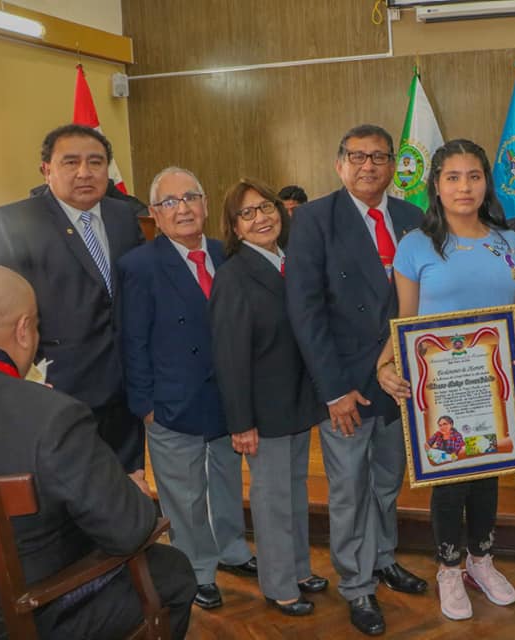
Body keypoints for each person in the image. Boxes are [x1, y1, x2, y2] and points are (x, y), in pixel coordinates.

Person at [0, 265, 197, 639]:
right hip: (32, 614)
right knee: (172, 571)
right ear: (24, 329)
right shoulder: (51, 417)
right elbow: (128, 531)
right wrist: (133, 494)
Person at [376, 138, 515, 621]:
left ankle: (481, 561)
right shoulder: (415, 244)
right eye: (452, 177)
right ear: (436, 185)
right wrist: (385, 366)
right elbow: (404, 318)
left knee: (487, 474)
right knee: (448, 480)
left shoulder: (508, 241)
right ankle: (449, 567)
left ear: (486, 182)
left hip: (493, 384)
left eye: (473, 176)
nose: (463, 186)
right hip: (440, 385)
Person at [286, 124, 427, 636]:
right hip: (346, 384)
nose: (368, 166)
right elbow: (306, 312)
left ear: (394, 166)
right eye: (357, 156)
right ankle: (356, 584)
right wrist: (333, 390)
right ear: (339, 163)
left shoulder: (414, 219)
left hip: (400, 382)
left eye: (379, 157)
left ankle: (383, 557)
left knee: (388, 481)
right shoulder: (314, 220)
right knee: (348, 488)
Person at [118, 167, 256, 611]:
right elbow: (132, 341)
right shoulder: (138, 265)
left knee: (227, 481)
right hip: (172, 402)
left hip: (227, 399)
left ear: (206, 205)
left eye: (191, 198)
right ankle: (197, 569)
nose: (183, 209)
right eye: (171, 202)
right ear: (155, 215)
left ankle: (233, 550)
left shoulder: (228, 254)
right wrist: (146, 406)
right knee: (186, 495)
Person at [0, 124, 146, 473]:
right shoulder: (15, 221)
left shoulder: (124, 217)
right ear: (46, 170)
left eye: (96, 162)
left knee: (127, 497)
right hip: (59, 395)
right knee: (71, 504)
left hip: (125, 394)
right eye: (70, 162)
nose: (85, 172)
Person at [210, 178, 329, 617]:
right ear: (235, 229)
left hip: (299, 403)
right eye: (248, 213)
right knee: (272, 499)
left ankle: (299, 569)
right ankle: (280, 586)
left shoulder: (293, 262)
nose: (261, 218)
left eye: (266, 207)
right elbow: (229, 356)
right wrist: (240, 422)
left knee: (295, 494)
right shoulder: (234, 276)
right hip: (262, 411)